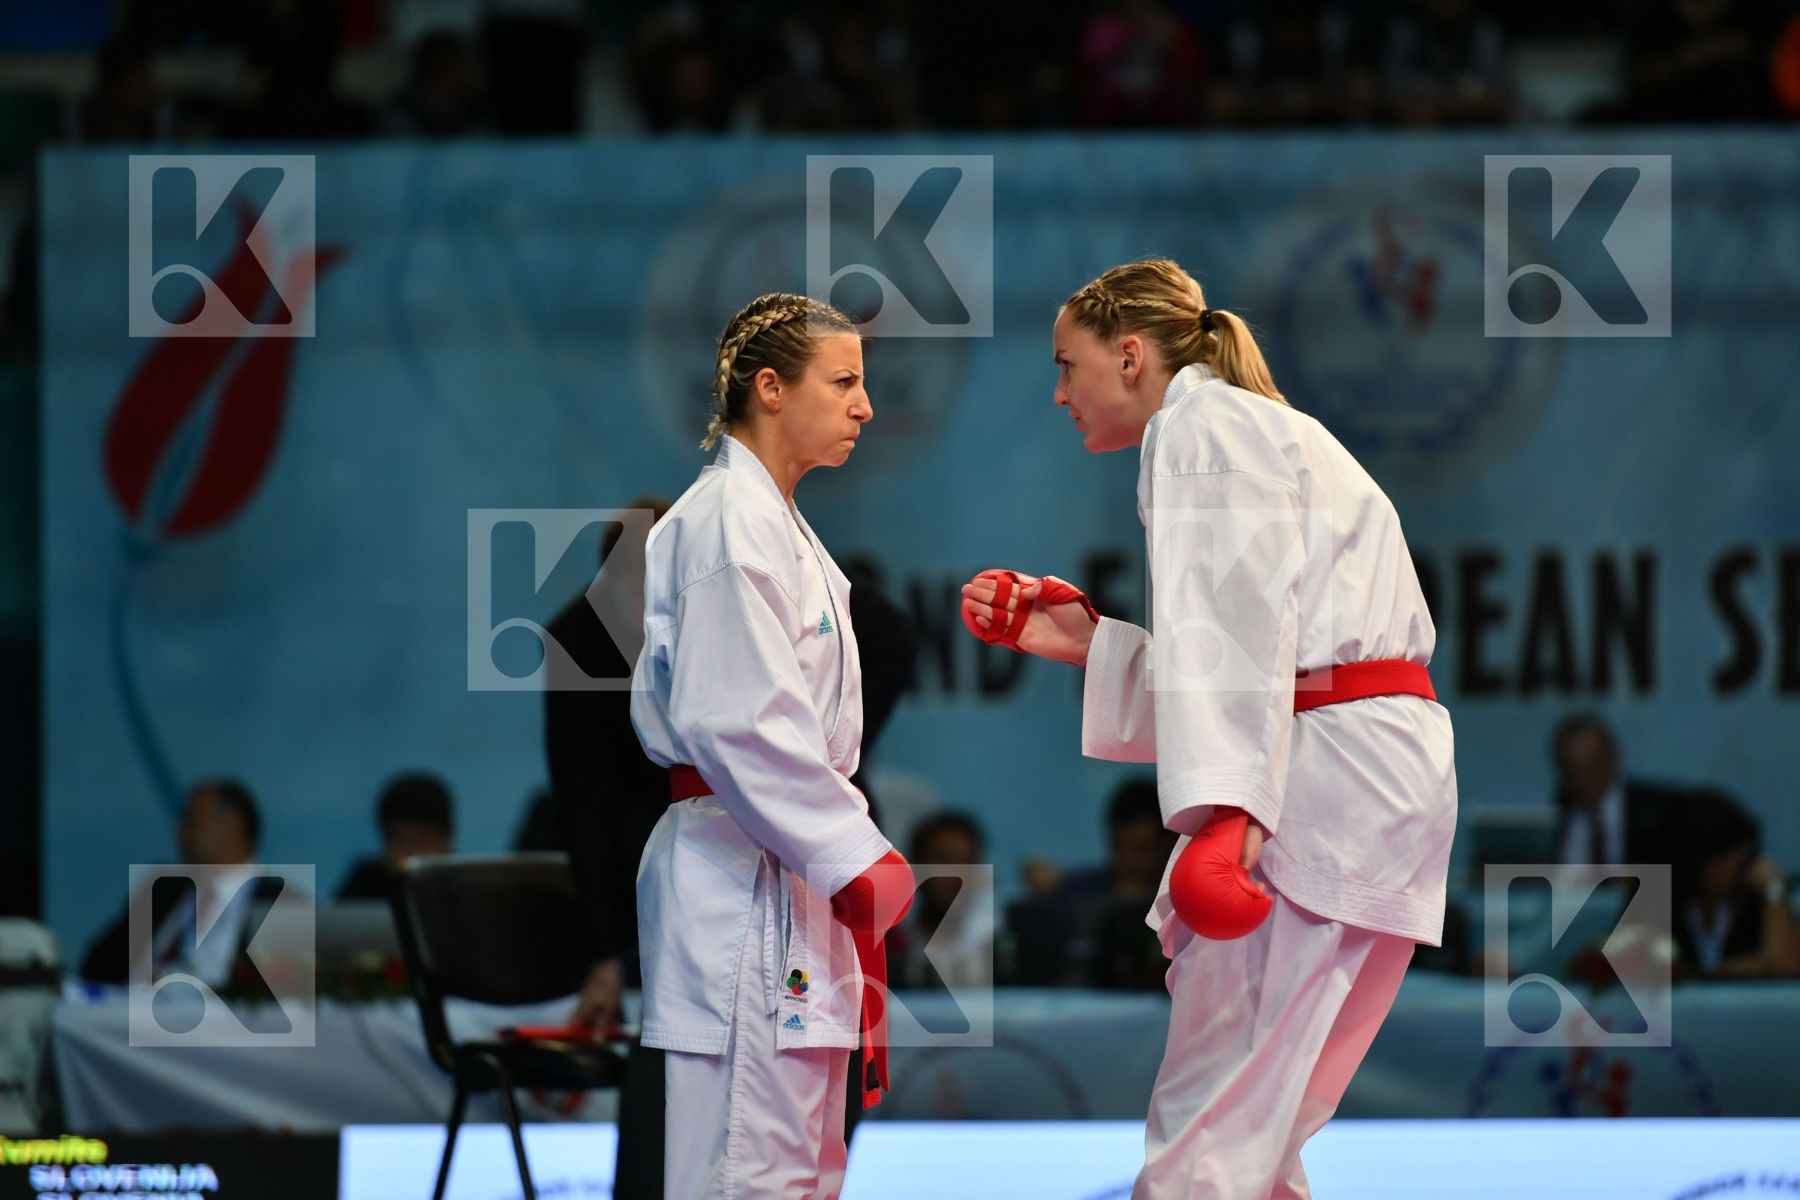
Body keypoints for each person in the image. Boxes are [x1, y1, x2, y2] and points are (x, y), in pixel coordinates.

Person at [961, 258, 1456, 1199]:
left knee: (1210, 1135)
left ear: (1133, 355)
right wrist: (1089, 644)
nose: (1060, 393)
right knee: (1258, 1136)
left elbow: (1234, 634)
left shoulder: (1202, 427)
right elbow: (1257, 652)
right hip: (1374, 776)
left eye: (1069, 365)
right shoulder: (1261, 427)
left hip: (1318, 782)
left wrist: (1229, 812)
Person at [629, 293, 910, 1200]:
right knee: (746, 1170)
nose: (865, 406)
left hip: (785, 873)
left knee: (799, 1167)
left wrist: (837, 854)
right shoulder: (724, 521)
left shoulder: (777, 523)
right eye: (845, 383)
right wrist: (852, 851)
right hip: (741, 879)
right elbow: (733, 719)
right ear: (771, 389)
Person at [80, 779, 281, 988]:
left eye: (191, 822)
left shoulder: (284, 905)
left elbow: (289, 1006)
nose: (179, 832)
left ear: (232, 827)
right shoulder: (160, 891)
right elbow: (94, 968)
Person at [1665, 791, 1800, 980]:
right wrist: (1739, 967)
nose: (1739, 862)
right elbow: (1633, 970)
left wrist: (1774, 888)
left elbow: (1786, 966)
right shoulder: (1657, 900)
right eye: (1727, 854)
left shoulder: (1756, 898)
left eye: (1743, 851)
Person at [335, 773, 456, 900]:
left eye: (423, 839)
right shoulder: (365, 881)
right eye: (401, 841)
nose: (412, 851)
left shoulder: (464, 884)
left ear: (446, 838)